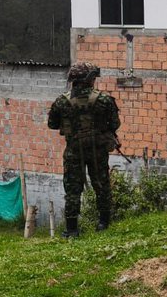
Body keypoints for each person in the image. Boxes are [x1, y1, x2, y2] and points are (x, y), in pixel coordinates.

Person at [47, 62, 121, 237]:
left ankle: (72, 230)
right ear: (89, 80)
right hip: (98, 151)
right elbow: (115, 124)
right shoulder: (104, 100)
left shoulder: (61, 102)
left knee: (73, 190)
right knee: (102, 186)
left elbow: (52, 124)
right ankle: (104, 223)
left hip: (74, 152)